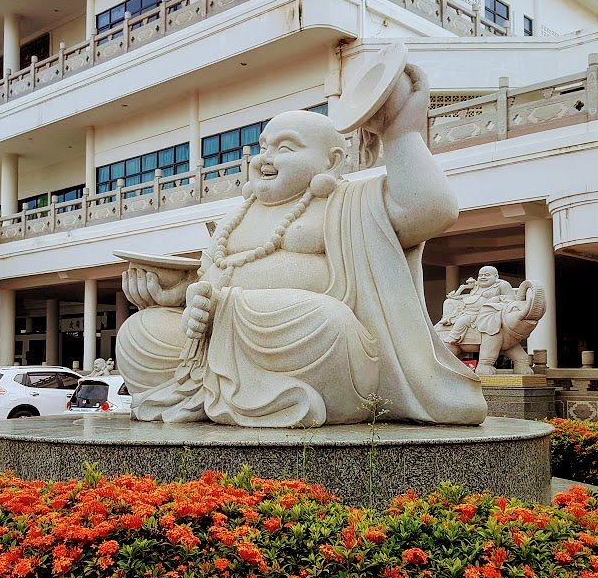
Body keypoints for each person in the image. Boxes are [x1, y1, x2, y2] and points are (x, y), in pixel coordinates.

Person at [116, 63, 486, 428]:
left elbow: (431, 209)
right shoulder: (238, 214)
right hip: (215, 347)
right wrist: (181, 299)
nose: (266, 158)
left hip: (301, 339)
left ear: (333, 160)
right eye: (263, 147)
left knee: (328, 320)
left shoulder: (348, 202)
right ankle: (221, 391)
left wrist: (401, 135)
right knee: (139, 332)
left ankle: (270, 393)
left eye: (285, 148)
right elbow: (212, 278)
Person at [441, 266, 514, 344]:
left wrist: (496, 299)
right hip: (467, 307)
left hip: (482, 312)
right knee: (448, 301)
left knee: (462, 320)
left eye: (487, 275)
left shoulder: (502, 285)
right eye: (480, 275)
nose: (483, 277)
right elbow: (471, 296)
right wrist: (463, 288)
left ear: (496, 276)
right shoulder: (477, 285)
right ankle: (447, 319)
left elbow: (510, 300)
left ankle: (454, 336)